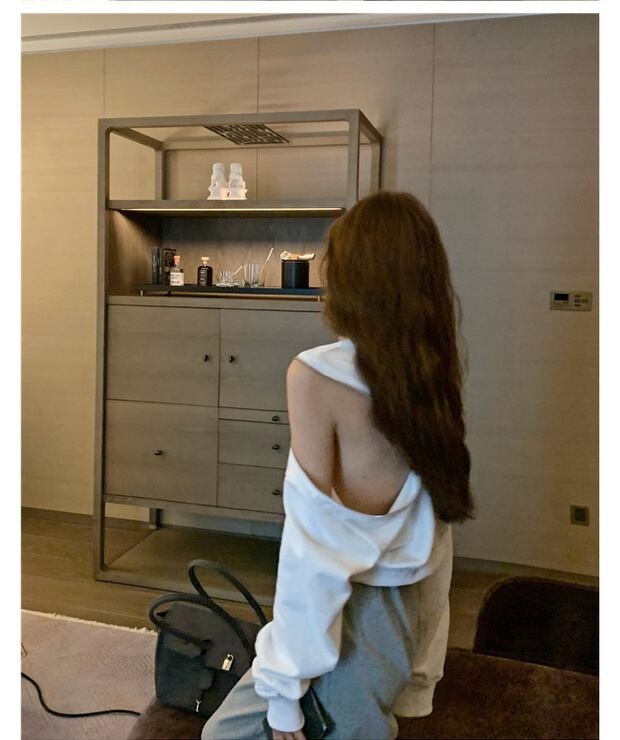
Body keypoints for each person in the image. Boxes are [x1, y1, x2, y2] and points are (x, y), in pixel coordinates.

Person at [201, 191, 474, 740]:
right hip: (398, 618)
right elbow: (437, 536)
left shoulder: (314, 375)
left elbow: (312, 549)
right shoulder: (431, 376)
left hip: (347, 617)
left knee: (225, 735)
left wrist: (283, 694)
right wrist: (421, 674)